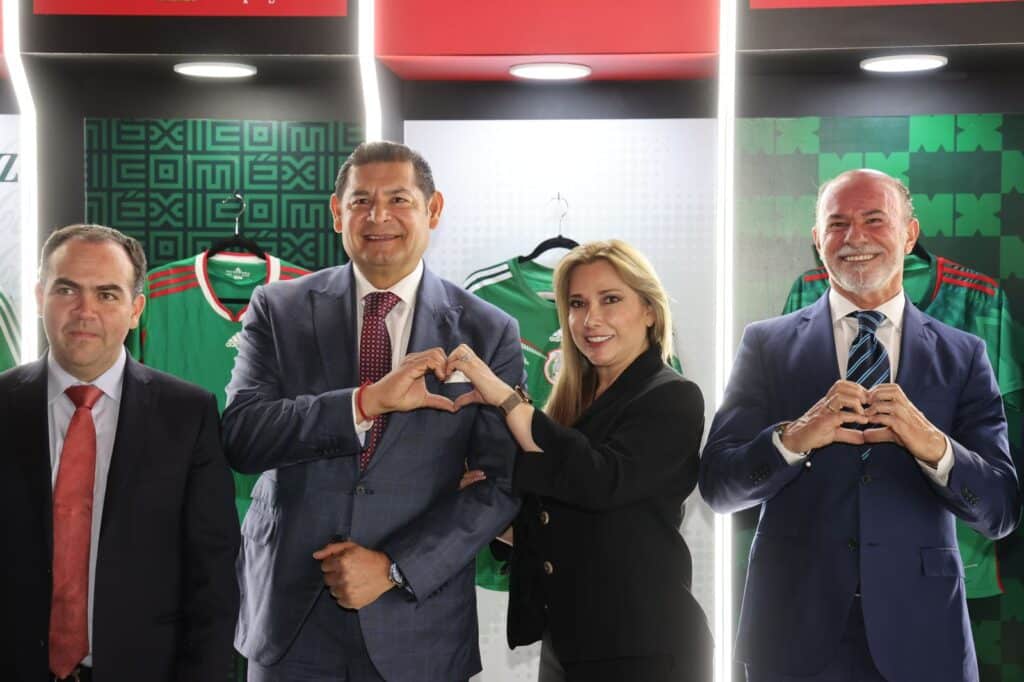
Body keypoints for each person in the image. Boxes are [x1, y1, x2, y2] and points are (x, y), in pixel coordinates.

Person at [700, 169, 1022, 682]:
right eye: (837, 224)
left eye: (874, 220)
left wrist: (934, 447)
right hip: (792, 637)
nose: (855, 237)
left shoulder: (963, 355)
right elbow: (719, 487)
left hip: (923, 639)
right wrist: (792, 439)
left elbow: (1000, 510)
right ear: (817, 240)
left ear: (909, 235)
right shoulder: (765, 345)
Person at [221, 140, 523, 682]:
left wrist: (394, 568)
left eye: (399, 200)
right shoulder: (278, 308)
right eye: (361, 201)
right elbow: (243, 437)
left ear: (433, 209)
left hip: (420, 624)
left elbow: (499, 484)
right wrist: (364, 402)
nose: (378, 216)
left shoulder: (488, 329)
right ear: (337, 213)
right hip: (291, 621)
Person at [451, 239, 713, 682]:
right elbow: (572, 530)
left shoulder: (674, 396)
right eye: (576, 303)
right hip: (571, 643)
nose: (590, 319)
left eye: (610, 300)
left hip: (646, 648)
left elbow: (600, 481)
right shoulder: (572, 406)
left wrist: (506, 400)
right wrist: (486, 511)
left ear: (650, 310)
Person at [0, 224, 240, 681]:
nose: (84, 310)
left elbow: (212, 580)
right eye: (66, 289)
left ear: (136, 310)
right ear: (40, 297)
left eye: (107, 294)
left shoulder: (187, 415)